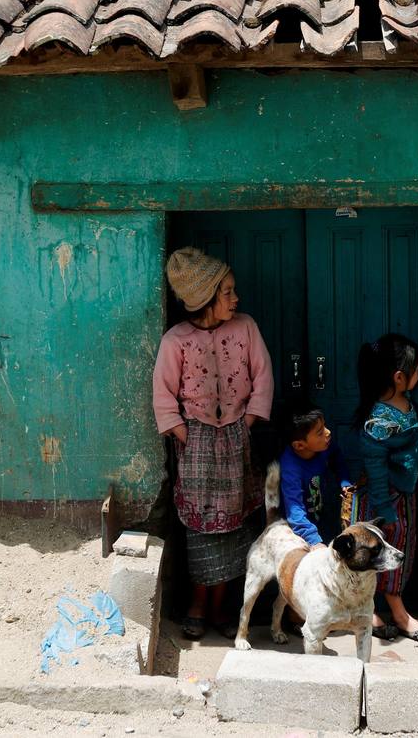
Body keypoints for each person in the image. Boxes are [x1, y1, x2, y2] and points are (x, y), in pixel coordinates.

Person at [153, 247, 274, 640]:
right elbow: (163, 396)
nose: (235, 299)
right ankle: (197, 606)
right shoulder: (176, 341)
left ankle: (222, 608)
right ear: (205, 296)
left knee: (233, 525)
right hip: (197, 442)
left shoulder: (246, 328)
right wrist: (188, 436)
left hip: (237, 438)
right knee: (201, 528)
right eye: (227, 292)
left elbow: (263, 377)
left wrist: (247, 423)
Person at [352, 329, 418, 642]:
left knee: (401, 550)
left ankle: (373, 610)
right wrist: (385, 512)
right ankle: (397, 612)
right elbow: (376, 472)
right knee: (388, 553)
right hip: (386, 502)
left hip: (404, 495)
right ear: (398, 377)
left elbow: (415, 371)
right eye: (417, 370)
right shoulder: (379, 422)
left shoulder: (403, 400)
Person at [277, 400, 352, 547]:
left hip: (319, 514)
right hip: (295, 531)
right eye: (320, 432)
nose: (328, 432)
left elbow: (336, 457)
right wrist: (314, 541)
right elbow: (294, 510)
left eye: (325, 425)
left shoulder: (324, 446)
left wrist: (344, 481)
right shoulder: (290, 468)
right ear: (299, 445)